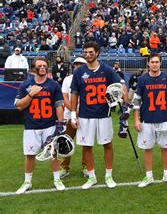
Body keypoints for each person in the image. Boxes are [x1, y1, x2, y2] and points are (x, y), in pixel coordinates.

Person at [70, 41, 129, 190]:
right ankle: (92, 176)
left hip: (104, 113)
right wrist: (72, 114)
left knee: (107, 144)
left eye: (91, 52)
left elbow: (121, 86)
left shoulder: (107, 71)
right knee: (86, 146)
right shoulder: (79, 72)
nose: (88, 55)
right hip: (85, 115)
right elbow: (74, 94)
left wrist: (123, 100)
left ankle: (108, 175)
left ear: (97, 53)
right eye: (86, 52)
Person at [14, 57, 66, 194]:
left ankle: (57, 179)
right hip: (31, 125)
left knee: (54, 153)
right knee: (30, 155)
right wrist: (31, 94)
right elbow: (19, 106)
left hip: (49, 125)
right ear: (33, 69)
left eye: (44, 66)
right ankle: (27, 182)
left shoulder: (54, 85)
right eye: (39, 66)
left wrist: (60, 124)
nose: (42, 68)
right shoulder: (25, 85)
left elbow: (59, 105)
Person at [133, 54, 167, 187]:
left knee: (165, 148)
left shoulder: (166, 78)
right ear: (148, 64)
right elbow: (137, 100)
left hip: (164, 118)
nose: (154, 64)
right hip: (147, 119)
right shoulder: (142, 79)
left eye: (157, 62)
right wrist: (136, 119)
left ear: (160, 63)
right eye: (152, 62)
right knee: (148, 149)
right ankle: (149, 176)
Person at [59, 56, 88, 178]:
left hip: (85, 115)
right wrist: (73, 111)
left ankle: (86, 166)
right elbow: (65, 97)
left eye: (80, 64)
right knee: (66, 142)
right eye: (76, 64)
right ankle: (64, 167)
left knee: (87, 142)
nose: (78, 66)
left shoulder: (89, 78)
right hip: (69, 115)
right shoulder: (67, 79)